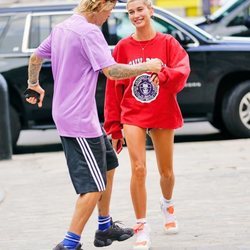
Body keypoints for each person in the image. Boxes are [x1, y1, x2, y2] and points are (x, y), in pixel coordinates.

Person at [25, 0, 163, 249]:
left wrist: (33, 83)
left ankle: (104, 227)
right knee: (93, 187)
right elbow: (111, 72)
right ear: (98, 5)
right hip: (77, 120)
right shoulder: (89, 32)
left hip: (80, 115)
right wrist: (148, 66)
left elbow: (35, 57)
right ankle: (69, 243)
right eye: (109, 9)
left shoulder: (63, 27)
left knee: (109, 163)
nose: (110, 14)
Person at [104, 0, 191, 249]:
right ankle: (141, 225)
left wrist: (163, 74)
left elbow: (182, 71)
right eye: (130, 12)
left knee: (166, 171)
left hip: (162, 111)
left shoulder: (167, 43)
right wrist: (113, 125)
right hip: (133, 114)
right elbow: (112, 87)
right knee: (138, 169)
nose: (135, 15)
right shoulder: (122, 47)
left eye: (140, 10)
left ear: (151, 11)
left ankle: (168, 204)